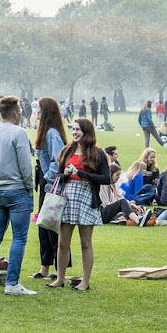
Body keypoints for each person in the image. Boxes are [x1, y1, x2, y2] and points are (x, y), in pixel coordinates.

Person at [0, 96, 36, 295]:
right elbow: (25, 166)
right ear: (16, 112)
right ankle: (12, 283)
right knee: (19, 238)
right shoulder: (19, 133)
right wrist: (30, 187)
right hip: (18, 189)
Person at [47, 118, 110, 291]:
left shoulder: (97, 153)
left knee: (85, 243)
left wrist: (82, 174)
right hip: (67, 198)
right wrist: (66, 174)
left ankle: (85, 281)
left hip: (86, 198)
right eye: (73, 129)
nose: (74, 132)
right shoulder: (67, 151)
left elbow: (106, 178)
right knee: (62, 242)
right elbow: (59, 177)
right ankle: (59, 278)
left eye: (78, 129)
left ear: (86, 132)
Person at [31, 96, 69, 280]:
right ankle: (44, 266)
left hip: (52, 186)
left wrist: (47, 178)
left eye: (38, 108)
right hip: (45, 185)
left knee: (52, 226)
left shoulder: (52, 133)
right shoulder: (46, 132)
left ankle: (57, 268)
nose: (36, 111)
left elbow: (59, 159)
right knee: (43, 225)